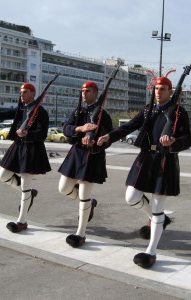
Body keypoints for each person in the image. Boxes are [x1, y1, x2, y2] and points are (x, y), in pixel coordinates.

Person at [97, 76, 191, 269]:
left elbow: (187, 138)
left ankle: (151, 251)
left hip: (165, 159)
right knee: (131, 196)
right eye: (156, 88)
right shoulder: (148, 109)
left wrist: (174, 142)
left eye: (163, 89)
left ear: (170, 91)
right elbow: (128, 127)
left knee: (157, 205)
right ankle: (160, 219)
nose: (159, 92)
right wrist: (109, 136)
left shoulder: (179, 112)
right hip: (146, 157)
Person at [0, 82, 51, 233]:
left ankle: (22, 220)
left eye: (25, 92)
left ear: (33, 93)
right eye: (21, 92)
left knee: (26, 184)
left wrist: (28, 134)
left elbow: (43, 134)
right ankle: (28, 193)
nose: (22, 94)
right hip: (18, 145)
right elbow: (3, 113)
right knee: (3, 175)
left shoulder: (41, 111)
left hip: (32, 148)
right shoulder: (22, 108)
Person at [58, 81, 113, 248]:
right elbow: (66, 128)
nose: (84, 94)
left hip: (91, 157)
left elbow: (107, 139)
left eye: (88, 91)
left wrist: (95, 141)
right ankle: (90, 204)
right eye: (83, 91)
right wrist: (81, 128)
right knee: (64, 188)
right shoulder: (78, 111)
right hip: (76, 154)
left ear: (96, 93)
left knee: (83, 195)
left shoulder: (104, 115)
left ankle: (80, 233)